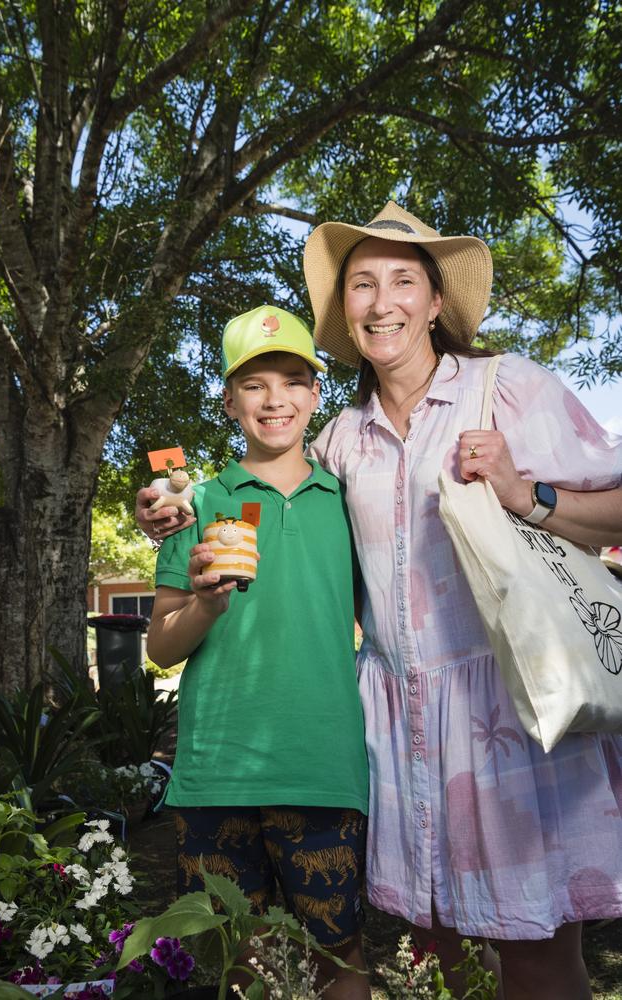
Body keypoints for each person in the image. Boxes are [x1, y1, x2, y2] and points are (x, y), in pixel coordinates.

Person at [138, 205, 622, 1000]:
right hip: (399, 732)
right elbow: (259, 496)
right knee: (444, 941)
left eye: (404, 279)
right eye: (362, 282)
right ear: (346, 314)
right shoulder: (339, 442)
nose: (382, 298)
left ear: (437, 304)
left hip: (515, 715)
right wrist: (163, 508)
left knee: (536, 952)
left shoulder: (510, 388)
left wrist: (524, 492)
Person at [145, 304, 371, 999]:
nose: (275, 399)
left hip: (323, 766)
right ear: (228, 400)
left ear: (315, 394)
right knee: (243, 962)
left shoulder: (354, 498)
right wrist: (207, 603)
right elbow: (158, 648)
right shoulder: (195, 503)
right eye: (254, 384)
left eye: (292, 380)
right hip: (217, 773)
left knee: (342, 958)